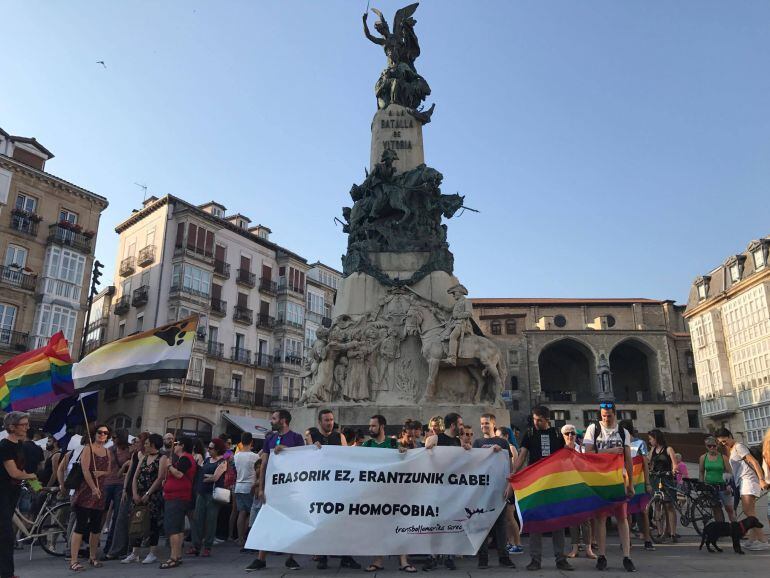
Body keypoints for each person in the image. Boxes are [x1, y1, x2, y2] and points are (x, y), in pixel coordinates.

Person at [246, 409, 305, 571]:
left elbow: (303, 459)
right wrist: (261, 488)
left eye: (273, 418)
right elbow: (264, 464)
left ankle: (290, 557)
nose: (271, 421)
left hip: (290, 487)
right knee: (267, 520)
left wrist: (286, 449)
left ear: (283, 420)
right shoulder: (270, 438)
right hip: (272, 488)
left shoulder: (296, 438)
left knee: (292, 522)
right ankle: (261, 558)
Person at [515, 405, 572, 572]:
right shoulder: (530, 434)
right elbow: (522, 456)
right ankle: (535, 559)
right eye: (534, 419)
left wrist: (570, 446)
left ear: (547, 419)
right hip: (536, 484)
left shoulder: (557, 434)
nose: (536, 422)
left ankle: (561, 559)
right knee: (535, 521)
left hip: (555, 484)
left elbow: (567, 456)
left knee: (558, 522)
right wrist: (513, 473)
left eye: (539, 420)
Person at [358, 415, 415, 573]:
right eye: (370, 426)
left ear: (382, 426)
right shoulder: (367, 445)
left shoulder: (392, 444)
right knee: (378, 527)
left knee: (399, 525)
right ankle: (378, 560)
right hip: (375, 493)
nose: (370, 429)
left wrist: (404, 453)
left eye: (373, 426)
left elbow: (404, 461)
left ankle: (403, 560)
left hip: (394, 493)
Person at [582, 402, 635, 573]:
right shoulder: (593, 429)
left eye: (609, 415)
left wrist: (631, 484)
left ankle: (627, 556)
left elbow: (628, 460)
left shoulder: (622, 432)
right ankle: (602, 556)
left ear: (615, 415)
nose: (605, 418)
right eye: (603, 415)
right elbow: (587, 454)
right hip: (600, 480)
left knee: (622, 517)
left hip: (619, 479)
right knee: (600, 518)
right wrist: (610, 452)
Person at [424, 413, 470, 571]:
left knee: (452, 522)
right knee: (435, 523)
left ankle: (449, 556)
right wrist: (428, 448)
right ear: (453, 425)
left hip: (453, 490)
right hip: (437, 489)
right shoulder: (437, 439)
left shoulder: (458, 442)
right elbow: (424, 456)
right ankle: (432, 556)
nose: (462, 427)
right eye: (460, 424)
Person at [715, 428, 769, 550]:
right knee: (750, 512)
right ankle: (752, 539)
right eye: (721, 442)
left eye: (724, 441)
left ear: (730, 435)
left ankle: (763, 540)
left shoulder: (739, 446)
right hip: (744, 482)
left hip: (748, 481)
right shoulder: (732, 449)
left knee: (748, 512)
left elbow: (754, 462)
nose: (724, 444)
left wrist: (761, 479)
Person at [473, 413, 515, 569]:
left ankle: (504, 556)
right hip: (483, 490)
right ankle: (482, 558)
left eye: (487, 423)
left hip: (499, 489)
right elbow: (474, 463)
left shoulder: (502, 442)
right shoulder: (477, 442)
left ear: (493, 424)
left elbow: (509, 466)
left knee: (501, 525)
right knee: (482, 524)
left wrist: (510, 486)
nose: (484, 426)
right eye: (482, 423)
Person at [69, 424, 112, 571]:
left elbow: (109, 470)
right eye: (100, 432)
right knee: (80, 526)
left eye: (105, 433)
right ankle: (74, 560)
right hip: (86, 491)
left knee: (96, 527)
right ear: (94, 433)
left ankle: (92, 556)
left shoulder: (107, 451)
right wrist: (93, 488)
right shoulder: (88, 448)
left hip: (100, 493)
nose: (102, 435)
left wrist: (101, 473)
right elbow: (85, 470)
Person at [1, 412, 37, 578]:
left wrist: (35, 485)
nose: (27, 427)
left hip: (12, 495)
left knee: (5, 536)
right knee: (6, 536)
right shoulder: (5, 446)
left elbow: (20, 469)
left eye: (27, 424)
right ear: (12, 427)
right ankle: (7, 574)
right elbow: (14, 472)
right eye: (24, 425)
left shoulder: (20, 446)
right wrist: (30, 476)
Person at [123, 433, 168, 564]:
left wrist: (148, 493)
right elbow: (135, 475)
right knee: (136, 521)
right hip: (139, 493)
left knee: (152, 522)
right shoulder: (144, 457)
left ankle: (152, 552)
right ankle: (134, 553)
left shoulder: (162, 458)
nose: (145, 445)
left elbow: (160, 478)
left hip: (152, 495)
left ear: (153, 444)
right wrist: (135, 493)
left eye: (147, 443)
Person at [161, 437, 197, 569]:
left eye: (176, 444)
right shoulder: (185, 458)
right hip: (178, 496)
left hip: (177, 497)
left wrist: (169, 465)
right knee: (178, 528)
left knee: (173, 529)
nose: (174, 446)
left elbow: (179, 474)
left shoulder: (185, 458)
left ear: (181, 446)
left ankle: (174, 557)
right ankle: (177, 555)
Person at [561, 423, 596, 560]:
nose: (570, 435)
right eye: (567, 433)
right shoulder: (559, 452)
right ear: (563, 436)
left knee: (586, 519)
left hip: (583, 487)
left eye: (573, 433)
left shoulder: (582, 449)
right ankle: (574, 547)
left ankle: (588, 548)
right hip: (568, 487)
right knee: (572, 519)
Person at [188, 437, 228, 557]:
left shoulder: (222, 462)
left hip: (213, 494)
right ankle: (196, 545)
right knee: (197, 519)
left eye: (211, 448)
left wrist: (205, 477)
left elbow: (215, 477)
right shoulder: (207, 460)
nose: (208, 450)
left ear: (217, 449)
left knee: (210, 520)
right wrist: (207, 477)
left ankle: (208, 546)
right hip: (201, 492)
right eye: (208, 448)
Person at [618, 420, 654, 552]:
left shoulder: (640, 443)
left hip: (639, 480)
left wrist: (647, 483)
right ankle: (627, 541)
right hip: (625, 481)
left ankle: (647, 539)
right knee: (626, 512)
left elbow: (645, 464)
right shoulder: (620, 444)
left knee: (643, 511)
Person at [103, 428, 131, 556]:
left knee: (117, 516)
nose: (112, 440)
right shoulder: (110, 450)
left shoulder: (129, 451)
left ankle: (111, 547)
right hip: (108, 482)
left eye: (114, 438)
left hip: (120, 484)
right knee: (101, 512)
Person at [648, 429, 678, 543]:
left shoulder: (668, 449)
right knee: (657, 505)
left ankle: (673, 533)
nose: (650, 441)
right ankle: (660, 532)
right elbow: (649, 463)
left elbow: (674, 464)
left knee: (669, 506)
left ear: (656, 438)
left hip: (667, 478)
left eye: (651, 439)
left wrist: (673, 471)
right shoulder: (653, 450)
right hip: (656, 479)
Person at [698, 436, 735, 523]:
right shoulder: (703, 458)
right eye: (709, 446)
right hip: (710, 486)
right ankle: (721, 529)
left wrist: (729, 485)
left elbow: (729, 472)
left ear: (717, 446)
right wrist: (701, 485)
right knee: (716, 508)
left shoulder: (723, 457)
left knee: (729, 509)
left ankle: (735, 528)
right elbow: (701, 472)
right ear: (706, 447)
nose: (712, 448)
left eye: (714, 446)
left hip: (723, 486)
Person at [234, 432, 259, 551]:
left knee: (241, 512)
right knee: (250, 512)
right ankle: (247, 536)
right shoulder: (254, 456)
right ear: (251, 442)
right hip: (250, 486)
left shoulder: (236, 455)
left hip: (238, 486)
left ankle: (240, 538)